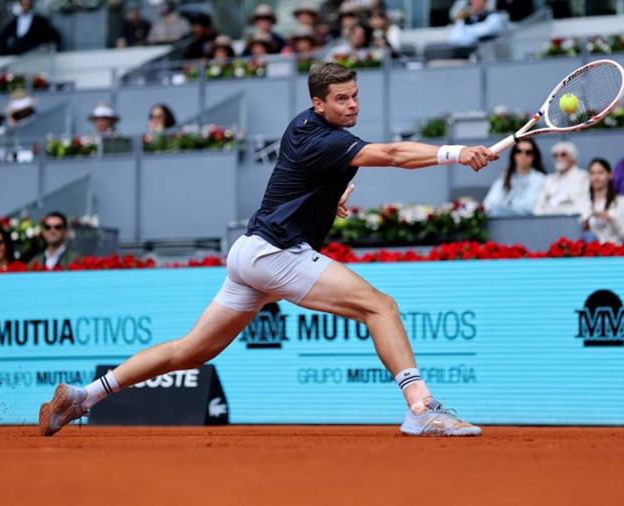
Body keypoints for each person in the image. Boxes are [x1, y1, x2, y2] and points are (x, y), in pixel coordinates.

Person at [38, 62, 496, 438]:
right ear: (318, 103)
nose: (353, 104)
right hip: (276, 254)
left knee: (190, 352)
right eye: (341, 99)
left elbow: (301, 180)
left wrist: (329, 198)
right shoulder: (328, 139)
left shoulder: (303, 126)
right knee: (381, 307)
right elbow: (393, 155)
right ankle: (420, 408)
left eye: (355, 96)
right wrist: (455, 153)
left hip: (249, 254)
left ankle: (83, 396)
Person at [581, 158, 624, 245]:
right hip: (592, 252)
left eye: (600, 173)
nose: (596, 177)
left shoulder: (622, 202)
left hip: (617, 251)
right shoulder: (584, 203)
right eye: (592, 173)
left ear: (610, 175)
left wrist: (612, 220)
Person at [483, 138, 546, 216]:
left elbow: (528, 208)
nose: (523, 155)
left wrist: (498, 209)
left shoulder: (539, 178)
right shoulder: (505, 176)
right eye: (518, 151)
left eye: (528, 152)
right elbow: (489, 202)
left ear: (534, 156)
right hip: (500, 218)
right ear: (514, 155)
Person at [534, 141, 589, 215]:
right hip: (548, 217)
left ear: (573, 158)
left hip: (570, 217)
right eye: (555, 155)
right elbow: (539, 206)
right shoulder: (549, 179)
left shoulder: (583, 177)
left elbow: (582, 205)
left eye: (563, 154)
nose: (558, 158)